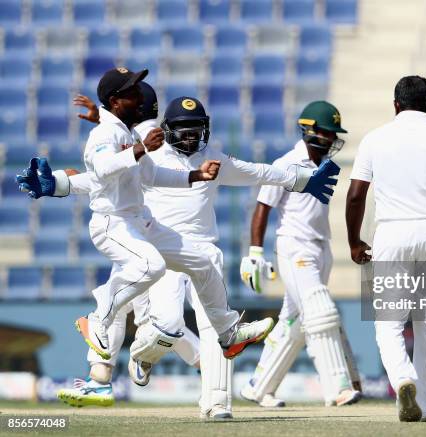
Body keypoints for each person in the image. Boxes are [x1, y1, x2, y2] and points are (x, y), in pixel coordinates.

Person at [18, 94, 342, 419]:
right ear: (168, 129)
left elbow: (259, 172)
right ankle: (142, 356)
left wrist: (303, 180)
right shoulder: (148, 156)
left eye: (196, 129)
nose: (191, 136)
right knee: (167, 326)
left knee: (215, 328)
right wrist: (59, 184)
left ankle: (217, 404)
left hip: (203, 250)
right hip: (164, 247)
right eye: (184, 130)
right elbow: (102, 179)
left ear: (206, 129)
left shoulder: (214, 158)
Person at [55, 83, 201, 411]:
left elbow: (116, 169)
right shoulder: (141, 137)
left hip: (147, 234)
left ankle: (110, 373)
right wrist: (63, 183)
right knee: (137, 312)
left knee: (150, 317)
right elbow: (105, 171)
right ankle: (104, 376)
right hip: (133, 234)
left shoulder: (139, 136)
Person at [345, 76, 426, 422]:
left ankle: (402, 377)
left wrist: (355, 241)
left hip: (391, 233)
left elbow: (356, 195)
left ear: (395, 105)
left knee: (388, 323)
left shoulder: (375, 138)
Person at [239, 101, 362, 408]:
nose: (332, 139)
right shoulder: (286, 163)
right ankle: (337, 388)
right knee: (319, 310)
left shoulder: (324, 165)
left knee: (293, 323)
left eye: (335, 133)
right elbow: (262, 207)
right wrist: (255, 252)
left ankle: (258, 387)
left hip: (321, 248)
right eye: (327, 132)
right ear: (308, 130)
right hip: (295, 248)